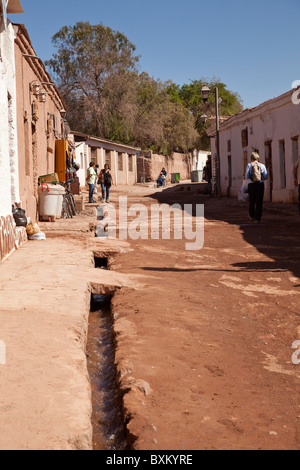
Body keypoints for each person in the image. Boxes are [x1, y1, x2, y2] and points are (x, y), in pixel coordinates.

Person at [245, 152, 268, 223]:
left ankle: (252, 216)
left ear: (251, 158)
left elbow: (246, 176)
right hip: (260, 185)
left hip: (252, 185)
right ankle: (258, 218)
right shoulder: (262, 166)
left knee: (251, 201)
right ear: (258, 158)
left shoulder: (249, 165)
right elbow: (266, 176)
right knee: (259, 201)